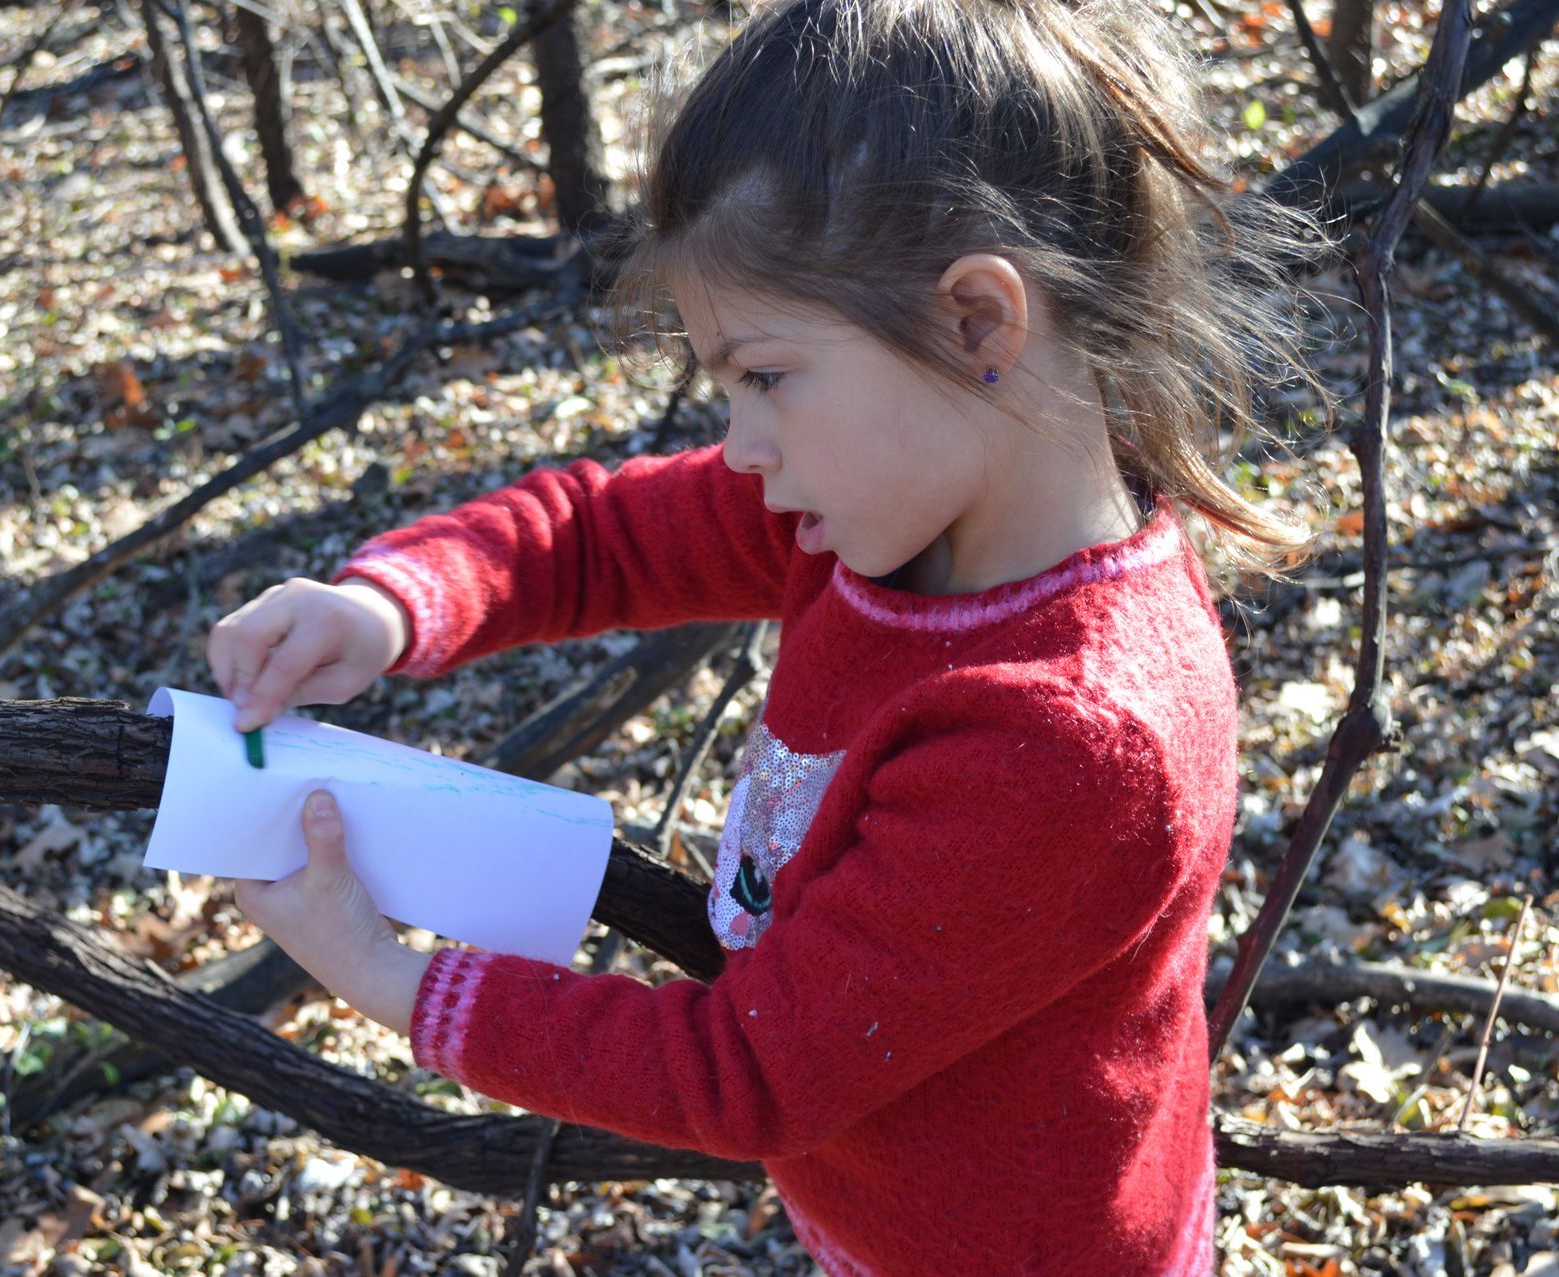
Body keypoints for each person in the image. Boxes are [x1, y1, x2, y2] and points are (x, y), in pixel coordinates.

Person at [208, 1, 1326, 1271]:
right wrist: (388, 606)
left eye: (767, 375)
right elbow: (599, 536)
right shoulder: (882, 513)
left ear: (977, 324)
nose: (742, 443)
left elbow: (747, 1070)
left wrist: (387, 977)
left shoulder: (1064, 735)